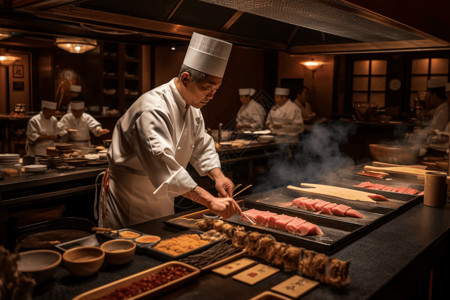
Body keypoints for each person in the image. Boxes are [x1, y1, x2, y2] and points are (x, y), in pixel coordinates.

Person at [99, 32, 242, 229]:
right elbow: (163, 163)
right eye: (207, 88)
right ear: (185, 79)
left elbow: (201, 144)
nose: (211, 96)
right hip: (132, 196)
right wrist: (210, 201)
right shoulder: (153, 109)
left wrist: (218, 176)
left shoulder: (192, 106)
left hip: (165, 194)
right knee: (133, 249)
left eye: (216, 89)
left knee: (161, 242)